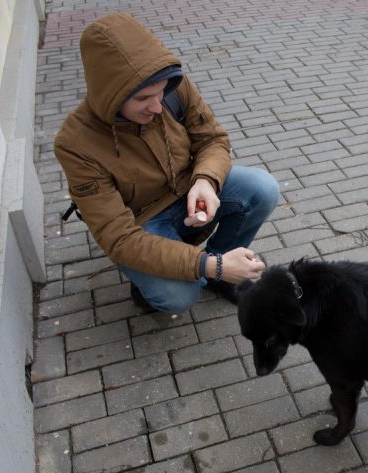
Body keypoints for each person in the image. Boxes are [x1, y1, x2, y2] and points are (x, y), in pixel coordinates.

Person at [55, 12, 279, 313]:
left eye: (161, 93)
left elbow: (212, 139)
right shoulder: (76, 144)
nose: (158, 106)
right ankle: (158, 283)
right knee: (178, 297)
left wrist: (205, 181)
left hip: (189, 192)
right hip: (141, 223)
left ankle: (221, 270)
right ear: (110, 93)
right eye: (144, 98)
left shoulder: (171, 86)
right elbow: (119, 238)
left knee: (262, 188)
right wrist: (207, 266)